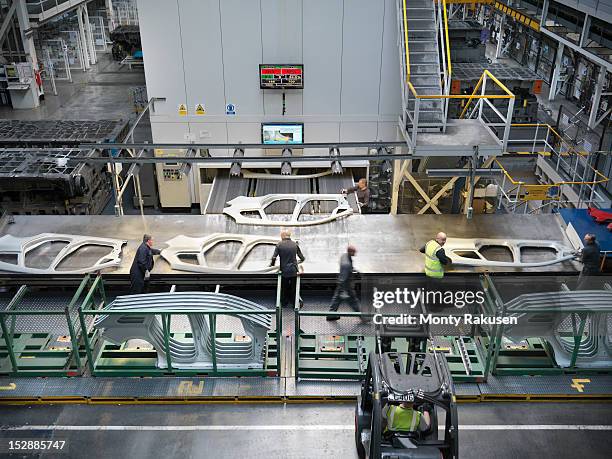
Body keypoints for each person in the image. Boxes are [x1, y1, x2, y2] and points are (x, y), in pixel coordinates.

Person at [270, 230, 305, 308]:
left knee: (284, 288)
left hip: (284, 271)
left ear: (283, 236)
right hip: (294, 270)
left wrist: (271, 265)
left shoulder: (279, 245)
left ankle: (284, 303)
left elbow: (274, 257)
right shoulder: (295, 245)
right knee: (294, 288)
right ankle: (294, 303)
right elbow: (302, 258)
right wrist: (299, 262)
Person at [327, 245, 361, 321]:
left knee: (336, 300)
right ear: (350, 252)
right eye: (354, 252)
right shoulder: (346, 264)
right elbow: (343, 278)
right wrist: (344, 291)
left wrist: (353, 270)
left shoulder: (344, 256)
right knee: (353, 300)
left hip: (341, 285)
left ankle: (330, 315)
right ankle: (363, 317)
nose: (355, 253)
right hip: (346, 286)